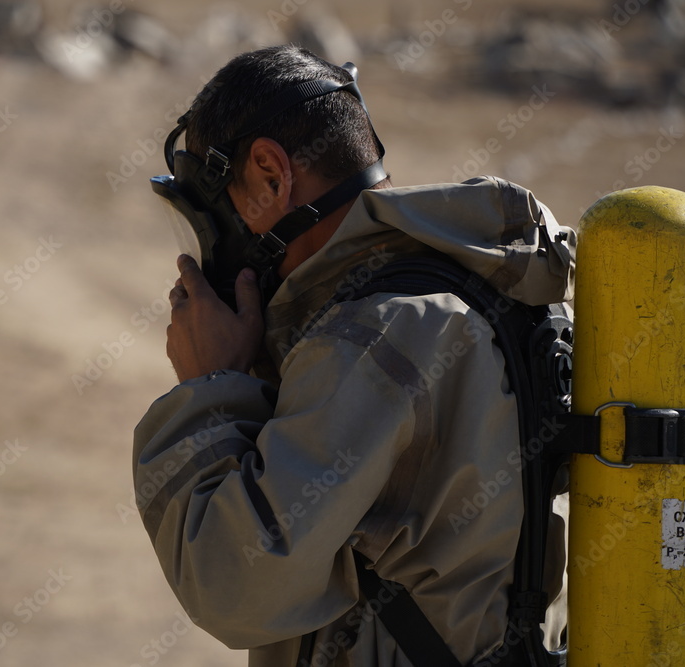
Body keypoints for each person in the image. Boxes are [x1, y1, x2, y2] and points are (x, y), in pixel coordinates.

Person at [133, 45, 574, 666]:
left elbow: (232, 584)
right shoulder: (489, 293)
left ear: (269, 173)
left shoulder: (369, 339)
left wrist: (212, 387)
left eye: (211, 217)